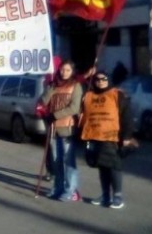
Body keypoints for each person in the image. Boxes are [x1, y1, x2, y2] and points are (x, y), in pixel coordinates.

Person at [80, 71, 134, 209]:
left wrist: (127, 137)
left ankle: (117, 196)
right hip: (94, 135)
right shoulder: (89, 95)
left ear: (108, 80)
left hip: (112, 137)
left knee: (113, 166)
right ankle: (105, 195)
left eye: (104, 79)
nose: (100, 81)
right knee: (102, 166)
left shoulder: (117, 94)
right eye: (97, 79)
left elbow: (127, 117)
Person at [39, 59, 86, 202]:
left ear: (72, 72)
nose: (64, 73)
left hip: (67, 127)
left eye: (67, 70)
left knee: (68, 160)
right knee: (56, 160)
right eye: (62, 70)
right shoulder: (54, 84)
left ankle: (70, 190)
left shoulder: (75, 86)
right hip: (53, 128)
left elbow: (74, 108)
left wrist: (55, 115)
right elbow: (43, 101)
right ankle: (58, 187)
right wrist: (49, 88)